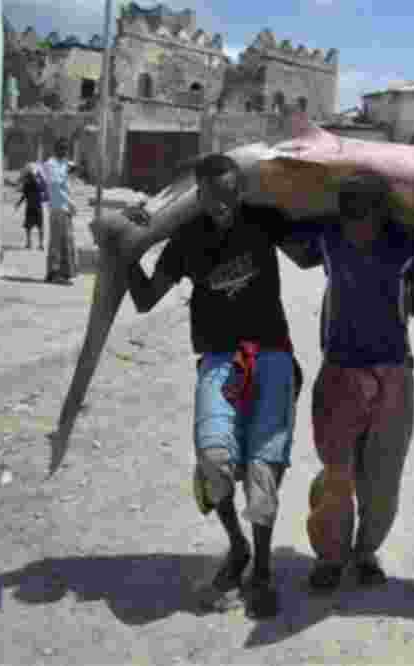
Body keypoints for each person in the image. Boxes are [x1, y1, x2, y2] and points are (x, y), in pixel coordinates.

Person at [125, 153, 310, 619]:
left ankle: (263, 570)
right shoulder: (187, 239)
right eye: (213, 195)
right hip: (218, 361)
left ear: (241, 191)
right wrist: (127, 247)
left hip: (271, 356)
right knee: (214, 460)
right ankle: (238, 546)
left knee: (264, 473)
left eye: (231, 194)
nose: (223, 204)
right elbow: (146, 299)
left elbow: (307, 258)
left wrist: (308, 201)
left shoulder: (262, 220)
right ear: (200, 196)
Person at [293, 174, 414, 593]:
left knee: (382, 481)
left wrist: (407, 305)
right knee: (337, 473)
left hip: (393, 372)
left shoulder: (407, 244)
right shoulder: (329, 238)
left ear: (381, 214)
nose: (355, 224)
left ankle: (365, 553)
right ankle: (330, 556)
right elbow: (290, 238)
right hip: (339, 370)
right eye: (348, 214)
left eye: (363, 214)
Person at [44, 138, 78, 284]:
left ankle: (63, 273)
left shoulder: (63, 164)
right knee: (57, 241)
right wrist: (71, 203)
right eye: (62, 148)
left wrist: (72, 168)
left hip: (65, 208)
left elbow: (71, 171)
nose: (64, 151)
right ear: (56, 149)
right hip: (58, 208)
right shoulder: (51, 165)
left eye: (66, 149)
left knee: (67, 241)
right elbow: (55, 188)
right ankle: (54, 273)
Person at [16, 163, 47, 250]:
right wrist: (40, 176)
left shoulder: (29, 184)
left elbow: (24, 195)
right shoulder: (36, 183)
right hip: (37, 207)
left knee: (29, 227)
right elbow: (44, 188)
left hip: (31, 207)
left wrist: (18, 204)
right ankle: (39, 244)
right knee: (38, 226)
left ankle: (30, 243)